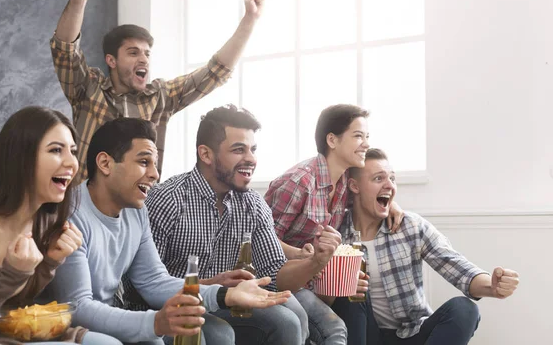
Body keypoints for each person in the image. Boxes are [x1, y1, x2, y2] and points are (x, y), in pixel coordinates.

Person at [43, 117, 291, 345]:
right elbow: (80, 307)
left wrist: (225, 294)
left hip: (111, 316)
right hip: (66, 324)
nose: (154, 174)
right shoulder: (71, 215)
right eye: (143, 162)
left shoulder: (136, 211)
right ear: (105, 163)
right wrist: (155, 322)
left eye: (154, 164)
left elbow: (153, 281)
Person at [130, 104, 346, 345]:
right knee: (220, 334)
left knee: (288, 322)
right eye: (238, 150)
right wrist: (211, 287)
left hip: (226, 303)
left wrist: (316, 260)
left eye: (253, 149)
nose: (251, 159)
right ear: (206, 154)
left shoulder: (252, 204)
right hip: (171, 308)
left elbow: (276, 276)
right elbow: (144, 286)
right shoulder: (167, 199)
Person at [51, 0, 264, 182]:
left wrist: (250, 20)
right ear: (111, 60)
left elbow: (215, 71)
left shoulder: (160, 97)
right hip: (85, 207)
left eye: (147, 53)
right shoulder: (88, 88)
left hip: (138, 208)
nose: (143, 59)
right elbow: (65, 49)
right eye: (133, 53)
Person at [0, 106, 119, 345]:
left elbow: (13, 310)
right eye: (55, 150)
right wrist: (12, 274)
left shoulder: (44, 219)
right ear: (20, 157)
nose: (71, 163)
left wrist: (49, 262)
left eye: (72, 151)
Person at [332, 148, 521, 345]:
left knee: (465, 309)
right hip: (364, 336)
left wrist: (493, 286)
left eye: (392, 178)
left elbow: (457, 267)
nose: (390, 185)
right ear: (354, 186)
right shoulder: (336, 233)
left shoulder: (410, 226)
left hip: (412, 334)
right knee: (349, 289)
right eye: (379, 179)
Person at [264, 104, 403, 344]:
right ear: (332, 140)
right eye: (358, 136)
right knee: (334, 329)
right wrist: (301, 255)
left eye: (367, 136)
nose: (366, 144)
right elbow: (261, 240)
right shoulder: (298, 183)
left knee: (358, 291)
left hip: (313, 279)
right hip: (279, 280)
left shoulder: (344, 182)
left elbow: (373, 190)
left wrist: (392, 203)